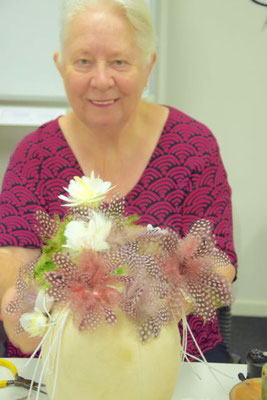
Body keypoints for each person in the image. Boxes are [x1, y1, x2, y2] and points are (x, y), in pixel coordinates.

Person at [0, 0, 237, 361]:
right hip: (65, 357)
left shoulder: (193, 146)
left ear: (148, 66)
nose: (101, 80)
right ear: (60, 66)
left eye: (119, 62)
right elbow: (14, 269)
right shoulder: (35, 155)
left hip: (181, 355)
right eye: (83, 61)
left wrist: (148, 312)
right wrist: (29, 316)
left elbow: (218, 262)